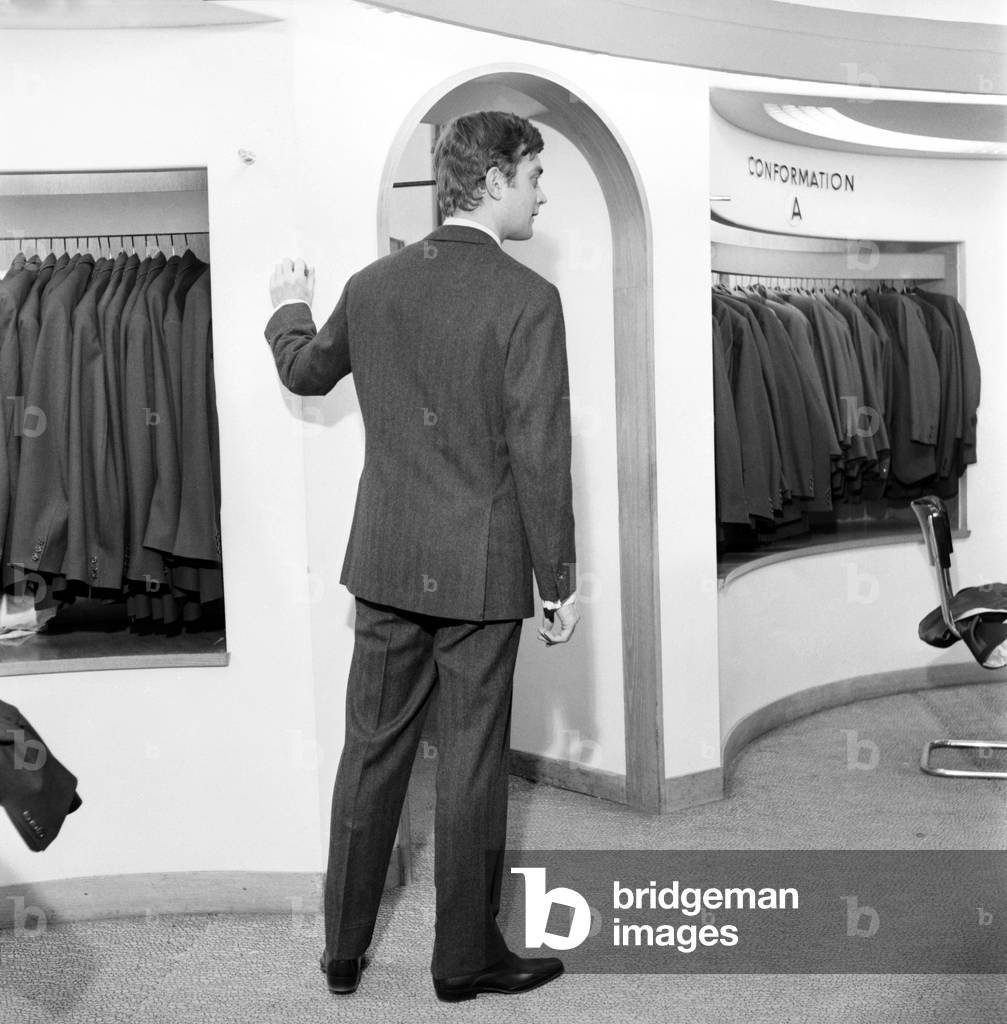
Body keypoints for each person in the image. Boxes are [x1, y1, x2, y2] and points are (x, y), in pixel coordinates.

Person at [264, 110, 579, 1002]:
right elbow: (540, 454)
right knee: (472, 763)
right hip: (481, 574)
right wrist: (556, 580)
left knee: (371, 753)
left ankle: (341, 953)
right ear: (489, 181)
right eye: (531, 176)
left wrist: (287, 305)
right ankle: (461, 964)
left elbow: (304, 374)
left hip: (388, 561)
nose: (539, 193)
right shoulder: (527, 300)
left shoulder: (372, 286)